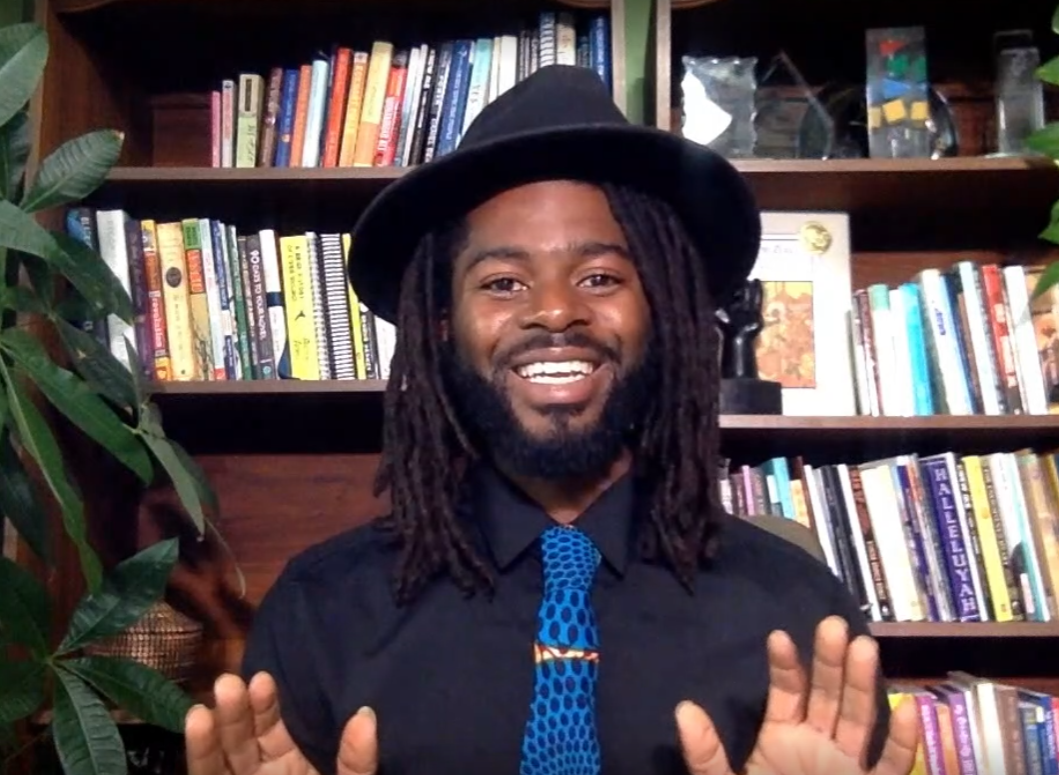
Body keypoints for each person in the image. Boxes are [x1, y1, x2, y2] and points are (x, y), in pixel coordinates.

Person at [183, 63, 920, 775]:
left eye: (600, 277)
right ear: (441, 324)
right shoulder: (323, 610)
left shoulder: (795, 611)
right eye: (503, 282)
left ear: (660, 310)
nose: (556, 311)